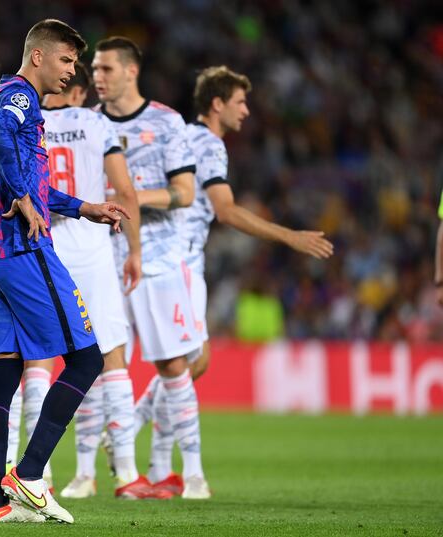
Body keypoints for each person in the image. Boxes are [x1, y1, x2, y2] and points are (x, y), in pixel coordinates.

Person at [132, 65, 334, 499]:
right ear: (217, 104)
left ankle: (155, 461)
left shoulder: (189, 137)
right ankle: (145, 445)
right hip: (178, 258)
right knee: (184, 364)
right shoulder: (206, 143)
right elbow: (226, 210)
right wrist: (289, 236)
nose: (246, 110)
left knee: (190, 363)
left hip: (179, 256)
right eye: (240, 101)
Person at [0, 19, 131, 524]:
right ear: (38, 56)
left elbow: (32, 184)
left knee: (4, 372)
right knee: (86, 361)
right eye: (66, 60)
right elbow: (2, 146)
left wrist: (86, 207)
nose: (72, 71)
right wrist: (21, 196)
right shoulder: (19, 99)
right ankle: (30, 473)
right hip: (24, 250)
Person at [37, 62, 162, 500]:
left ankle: (47, 475)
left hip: (44, 246)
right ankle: (126, 474)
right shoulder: (96, 121)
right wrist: (134, 250)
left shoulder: (27, 121)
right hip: (92, 251)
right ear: (78, 94)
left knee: (43, 362)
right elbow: (124, 192)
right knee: (110, 357)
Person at [93, 36, 203, 499]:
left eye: (106, 70)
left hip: (158, 259)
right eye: (94, 70)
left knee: (173, 363)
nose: (97, 78)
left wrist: (132, 199)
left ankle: (193, 473)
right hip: (104, 261)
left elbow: (186, 192)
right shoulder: (89, 125)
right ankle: (116, 472)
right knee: (105, 367)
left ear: (131, 71)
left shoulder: (166, 121)